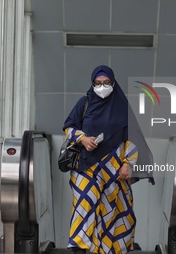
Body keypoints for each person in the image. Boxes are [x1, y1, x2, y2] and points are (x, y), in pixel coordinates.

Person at [63, 65, 154, 254]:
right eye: (98, 83)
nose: (102, 87)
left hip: (114, 169)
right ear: (92, 84)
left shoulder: (122, 107)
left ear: (113, 83)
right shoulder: (85, 103)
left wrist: (128, 163)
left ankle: (104, 250)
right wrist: (83, 139)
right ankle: (79, 247)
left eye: (106, 83)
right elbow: (69, 127)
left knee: (111, 210)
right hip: (86, 165)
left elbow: (132, 137)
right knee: (84, 202)